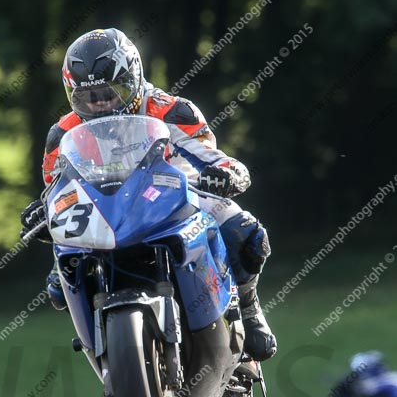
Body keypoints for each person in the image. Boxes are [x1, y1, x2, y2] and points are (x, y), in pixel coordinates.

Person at [21, 28, 277, 361]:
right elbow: (57, 187)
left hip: (176, 197)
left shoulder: (172, 111)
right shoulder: (62, 135)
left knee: (246, 232)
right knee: (58, 283)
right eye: (88, 97)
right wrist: (42, 210)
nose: (100, 104)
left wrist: (229, 172)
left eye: (109, 92)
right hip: (103, 214)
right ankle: (100, 341)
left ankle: (250, 307)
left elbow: (212, 157)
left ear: (132, 78)